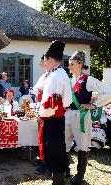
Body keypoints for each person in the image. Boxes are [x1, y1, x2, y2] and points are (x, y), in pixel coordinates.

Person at [65, 51, 111, 185]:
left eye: (72, 64)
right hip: (68, 114)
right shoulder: (69, 80)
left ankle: (80, 175)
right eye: (69, 64)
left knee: (82, 144)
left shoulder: (88, 79)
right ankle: (65, 169)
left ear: (80, 64)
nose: (70, 66)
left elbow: (108, 92)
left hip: (81, 115)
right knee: (65, 142)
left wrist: (93, 104)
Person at [39, 40, 73, 185]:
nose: (45, 62)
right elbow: (67, 101)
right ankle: (60, 175)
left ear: (51, 59)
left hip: (53, 118)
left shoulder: (55, 76)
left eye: (46, 59)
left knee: (54, 149)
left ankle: (58, 180)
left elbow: (53, 102)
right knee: (57, 146)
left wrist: (42, 115)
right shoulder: (59, 73)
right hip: (56, 118)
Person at [33, 55, 50, 175]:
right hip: (40, 108)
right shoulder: (43, 76)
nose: (40, 62)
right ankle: (43, 158)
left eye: (41, 60)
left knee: (47, 137)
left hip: (47, 110)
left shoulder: (52, 76)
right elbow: (36, 90)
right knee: (41, 136)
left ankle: (47, 163)